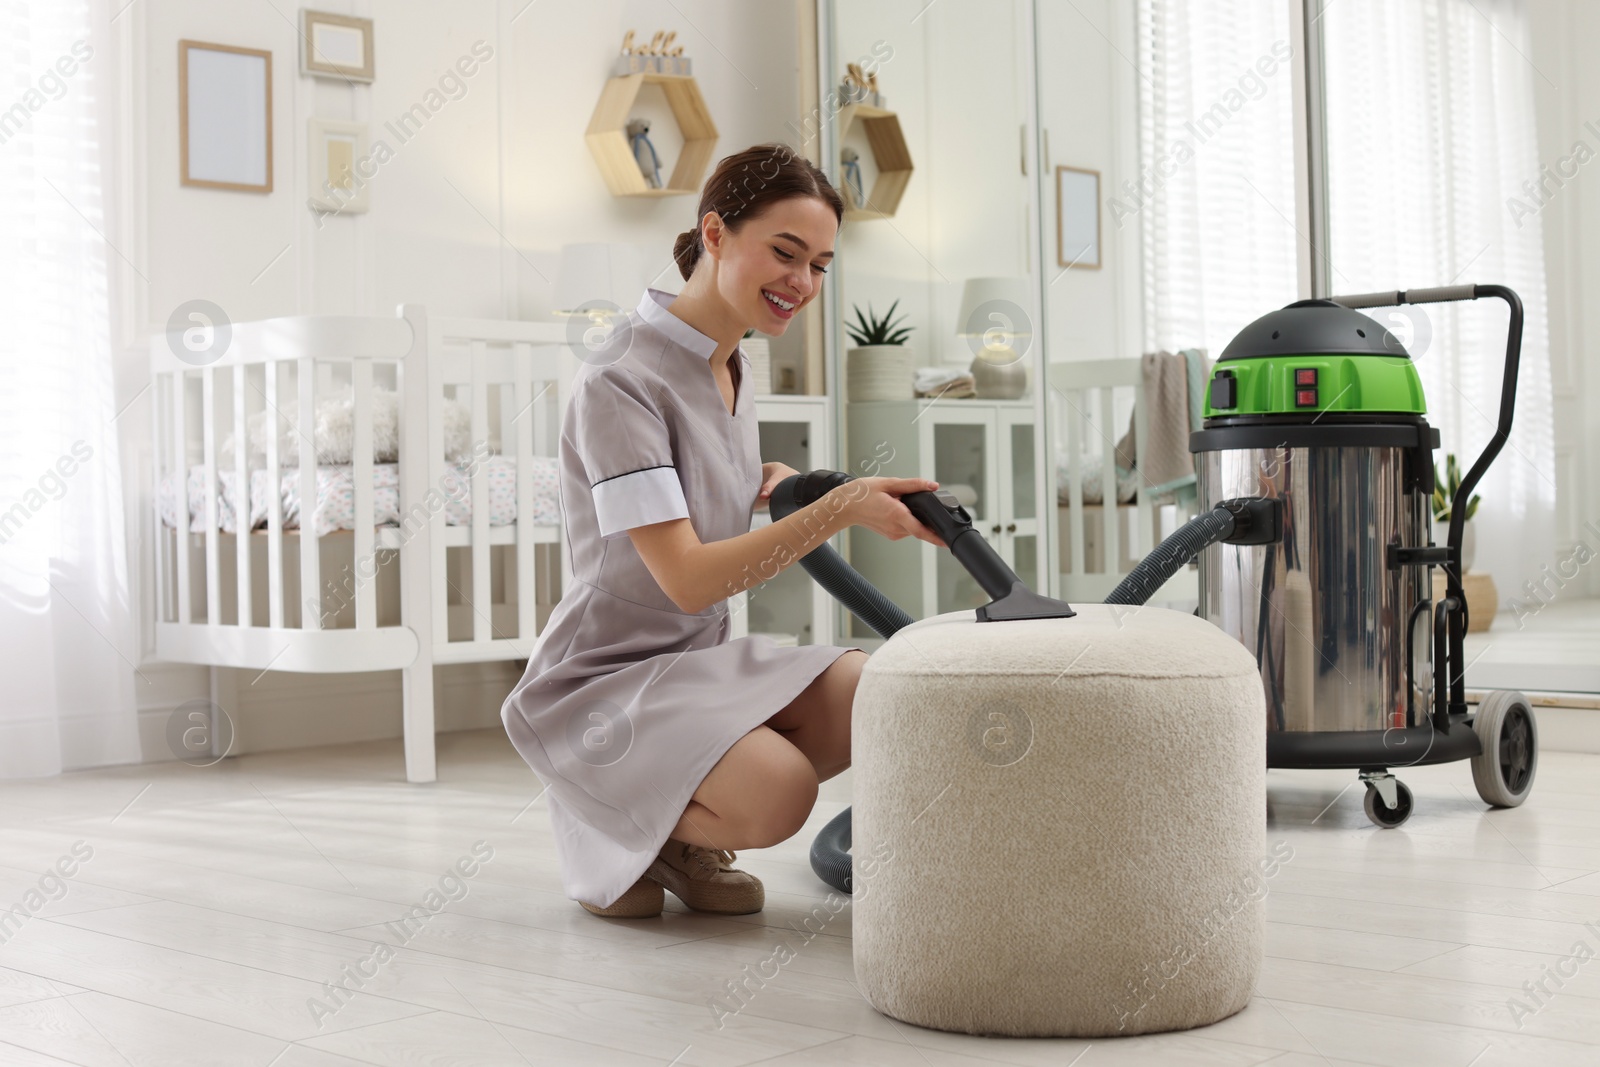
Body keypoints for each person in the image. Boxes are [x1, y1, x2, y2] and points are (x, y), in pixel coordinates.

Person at [500, 142, 945, 919]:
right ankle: (607, 811)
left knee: (874, 694)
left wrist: (761, 486)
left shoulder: (733, 360)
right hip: (603, 678)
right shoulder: (620, 377)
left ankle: (664, 832)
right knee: (782, 791)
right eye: (784, 252)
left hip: (695, 660)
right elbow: (687, 577)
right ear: (714, 235)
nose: (801, 283)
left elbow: (685, 489)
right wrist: (837, 507)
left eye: (819, 265)